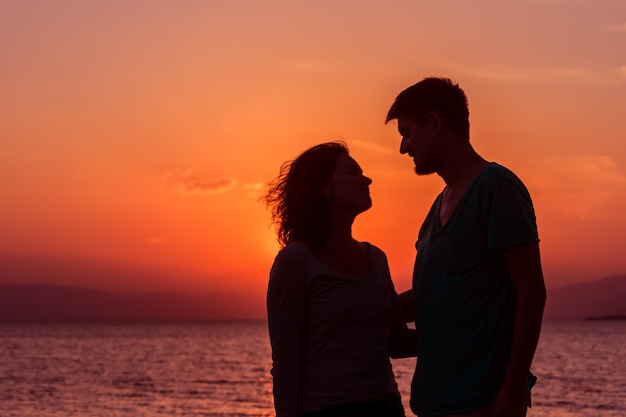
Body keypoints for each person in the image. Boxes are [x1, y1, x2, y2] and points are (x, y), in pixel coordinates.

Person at [385, 77, 547, 417]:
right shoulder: (437, 207)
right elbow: (435, 294)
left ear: (434, 122)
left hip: (481, 402)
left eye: (406, 132)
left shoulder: (497, 188)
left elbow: (531, 292)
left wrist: (513, 389)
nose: (403, 147)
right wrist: (365, 308)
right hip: (433, 403)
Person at [264, 141, 418, 417]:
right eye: (353, 173)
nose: (366, 179)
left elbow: (398, 342)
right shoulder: (295, 261)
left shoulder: (376, 259)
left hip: (386, 408)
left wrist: (465, 325)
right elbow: (286, 363)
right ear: (324, 187)